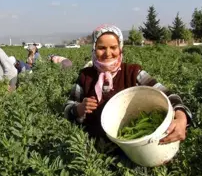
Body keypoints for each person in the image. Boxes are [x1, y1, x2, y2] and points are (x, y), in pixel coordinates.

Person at [64, 24, 193, 145]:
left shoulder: (133, 73)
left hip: (134, 149)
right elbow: (67, 109)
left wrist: (181, 117)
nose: (108, 53)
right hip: (93, 151)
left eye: (113, 47)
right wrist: (79, 108)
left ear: (120, 48)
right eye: (102, 48)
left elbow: (169, 95)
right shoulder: (85, 76)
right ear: (94, 48)